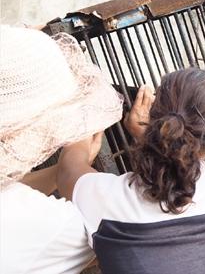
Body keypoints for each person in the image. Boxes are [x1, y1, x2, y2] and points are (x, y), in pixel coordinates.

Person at [56, 67, 205, 274]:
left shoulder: (111, 202)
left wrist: (83, 119)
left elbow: (67, 170)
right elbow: (185, 168)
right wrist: (144, 134)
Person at [0, 25, 123, 273]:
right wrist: (75, 159)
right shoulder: (48, 224)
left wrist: (60, 170)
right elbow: (126, 225)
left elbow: (9, 190)